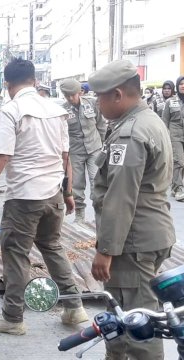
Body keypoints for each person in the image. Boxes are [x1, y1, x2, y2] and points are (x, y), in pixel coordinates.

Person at [0, 58, 88, 335]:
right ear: (34, 80)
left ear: (8, 84)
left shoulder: (12, 110)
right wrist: (67, 192)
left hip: (24, 198)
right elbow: (65, 155)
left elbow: (0, 157)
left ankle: (12, 318)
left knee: (16, 256)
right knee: (52, 246)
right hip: (54, 193)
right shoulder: (56, 109)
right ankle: (74, 307)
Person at [88, 59, 175, 360]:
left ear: (117, 95)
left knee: (138, 326)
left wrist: (106, 250)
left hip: (132, 242)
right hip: (147, 234)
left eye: (99, 96)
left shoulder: (130, 133)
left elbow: (120, 197)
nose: (96, 103)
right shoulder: (147, 121)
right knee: (127, 319)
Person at [59, 79, 107, 223]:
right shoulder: (63, 110)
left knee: (96, 179)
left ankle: (100, 211)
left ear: (79, 92)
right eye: (67, 96)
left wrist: (103, 143)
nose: (70, 98)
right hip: (75, 151)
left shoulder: (92, 103)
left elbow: (100, 124)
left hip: (94, 148)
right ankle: (80, 214)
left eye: (72, 95)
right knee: (77, 184)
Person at [162, 76, 184, 201]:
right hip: (175, 135)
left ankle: (175, 186)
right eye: (181, 84)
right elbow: (165, 120)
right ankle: (179, 189)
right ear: (177, 86)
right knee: (179, 161)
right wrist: (164, 136)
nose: (183, 86)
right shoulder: (170, 102)